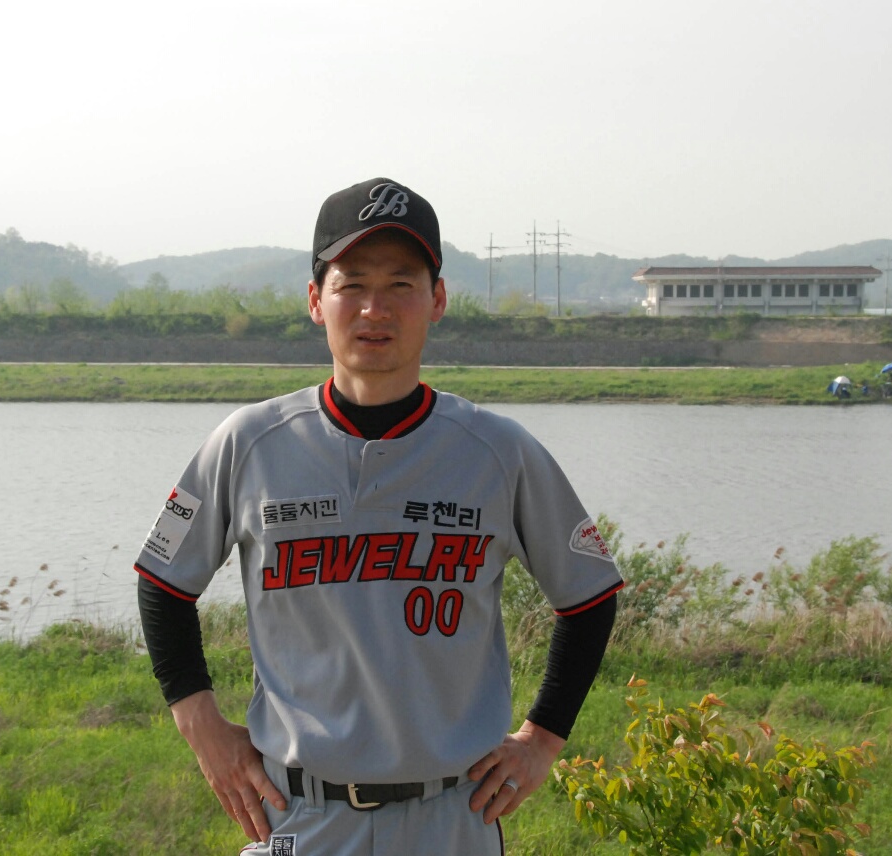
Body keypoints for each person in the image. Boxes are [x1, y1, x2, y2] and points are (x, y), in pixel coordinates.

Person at [134, 177, 624, 855]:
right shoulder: (249, 443)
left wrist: (542, 739)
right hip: (302, 814)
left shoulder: (497, 451)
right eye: (352, 284)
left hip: (452, 816)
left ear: (437, 299)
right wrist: (203, 728)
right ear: (316, 300)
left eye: (401, 284)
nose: (375, 308)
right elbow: (162, 582)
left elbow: (590, 594)